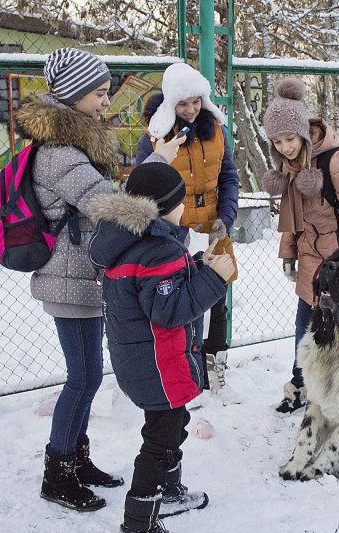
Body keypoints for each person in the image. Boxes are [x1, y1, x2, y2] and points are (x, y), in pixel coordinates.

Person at [15, 47, 183, 513]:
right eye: (100, 93)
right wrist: (159, 179)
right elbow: (107, 205)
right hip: (69, 278)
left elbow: (105, 195)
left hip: (82, 276)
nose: (106, 102)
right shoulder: (59, 153)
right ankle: (59, 473)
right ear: (72, 95)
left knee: (87, 376)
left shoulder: (75, 145)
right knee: (83, 378)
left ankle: (76, 458)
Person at [88, 162, 234, 533]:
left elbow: (157, 289)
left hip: (139, 360)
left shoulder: (129, 242)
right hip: (160, 364)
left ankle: (169, 493)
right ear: (164, 206)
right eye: (181, 200)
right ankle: (139, 522)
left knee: (173, 423)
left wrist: (199, 264)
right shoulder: (158, 250)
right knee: (160, 441)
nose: (186, 208)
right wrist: (216, 280)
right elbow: (169, 311)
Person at [261, 78, 339, 413]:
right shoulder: (288, 166)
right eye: (278, 141)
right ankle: (300, 388)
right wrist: (288, 255)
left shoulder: (335, 164)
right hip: (313, 267)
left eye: (289, 138)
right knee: (304, 333)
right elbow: (292, 216)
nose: (285, 146)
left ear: (302, 131)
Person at [135, 63, 240, 405]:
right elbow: (142, 186)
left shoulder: (219, 132)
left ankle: (216, 361)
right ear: (170, 104)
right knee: (183, 301)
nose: (191, 109)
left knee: (218, 296)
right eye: (183, 104)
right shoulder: (154, 137)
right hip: (174, 228)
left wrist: (226, 216)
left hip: (213, 224)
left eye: (196, 101)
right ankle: (186, 366)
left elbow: (229, 178)